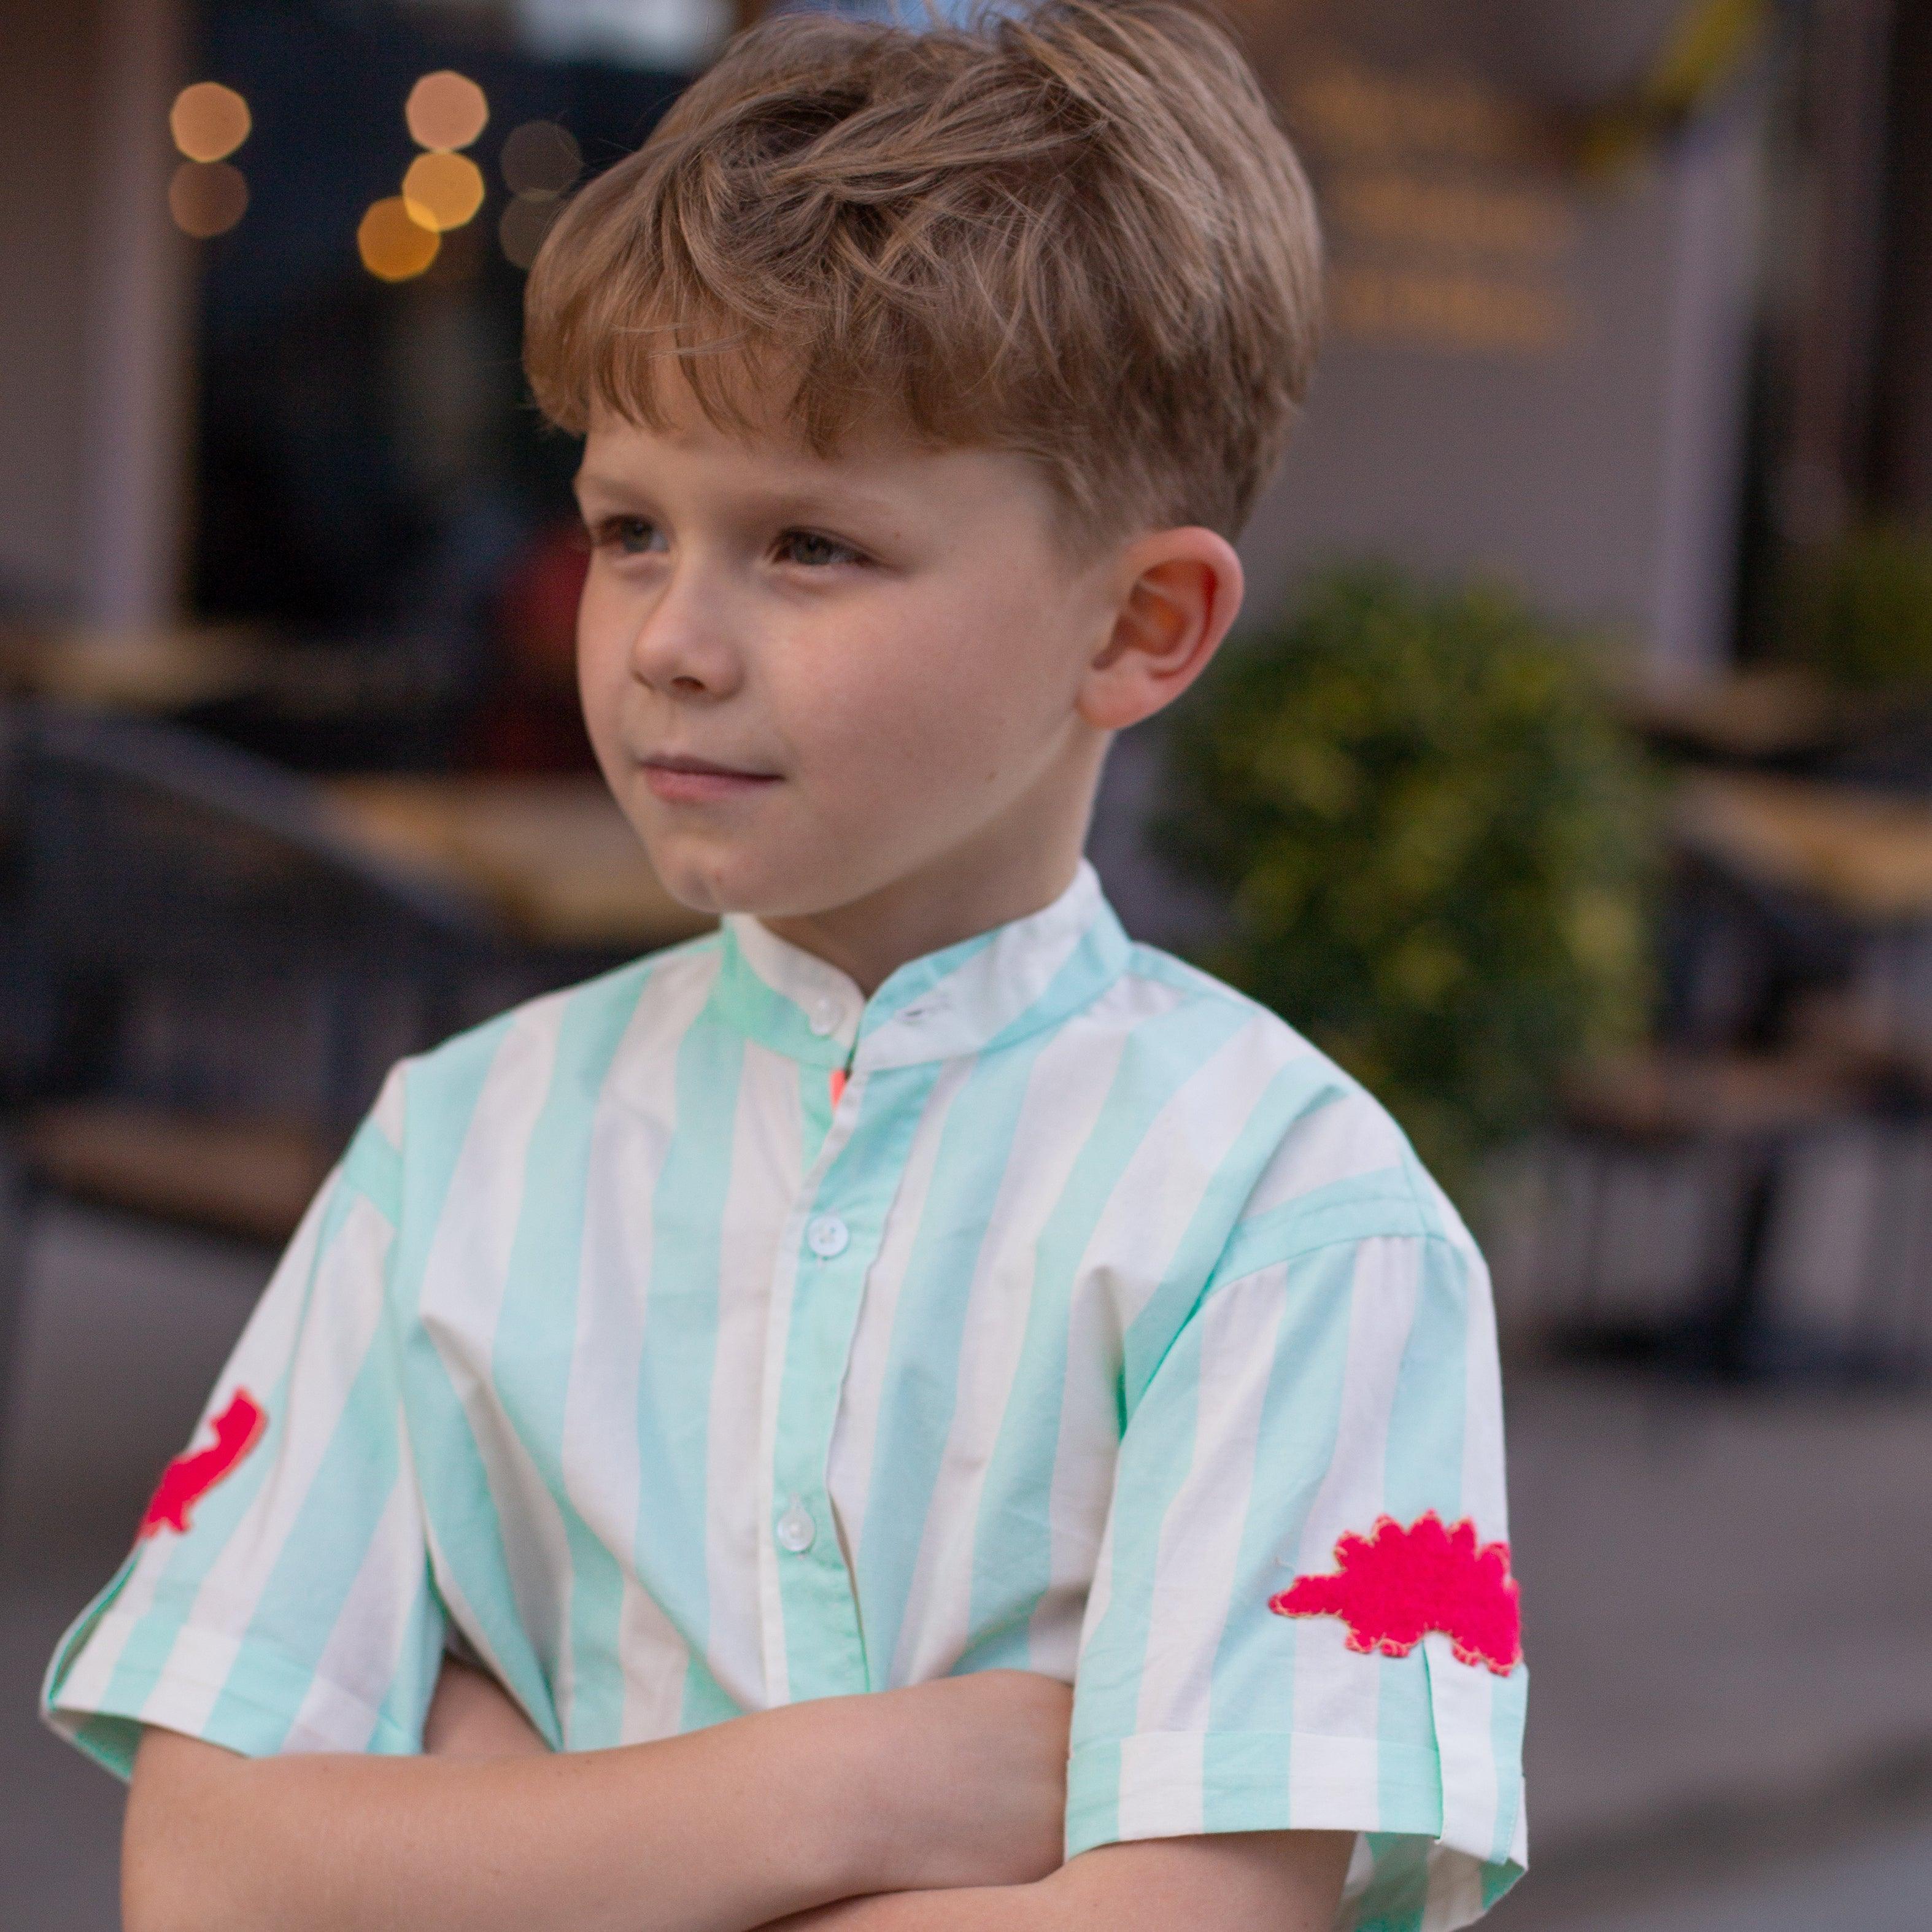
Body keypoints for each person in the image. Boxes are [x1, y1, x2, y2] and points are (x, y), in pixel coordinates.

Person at [39, 4, 1528, 1927]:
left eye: (809, 544)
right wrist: (843, 1790)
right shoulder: (456, 1151)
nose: (666, 635)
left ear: (1139, 623)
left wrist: (512, 1826)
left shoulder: (1287, 1218)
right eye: (627, 528)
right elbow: (213, 1872)